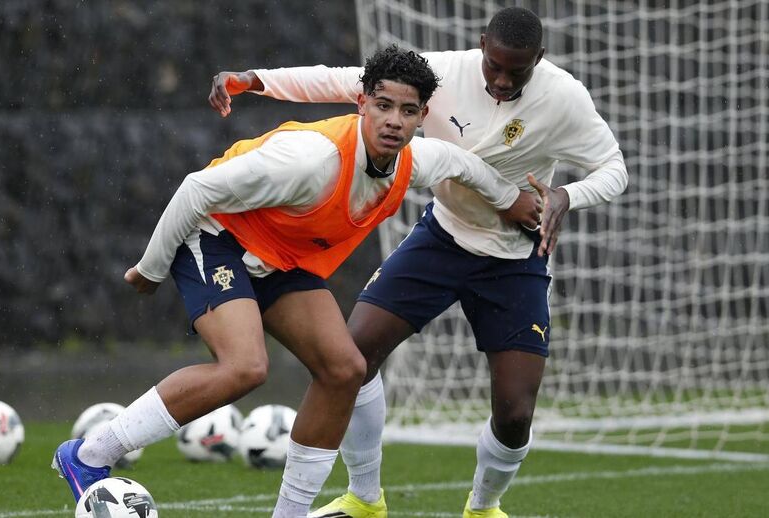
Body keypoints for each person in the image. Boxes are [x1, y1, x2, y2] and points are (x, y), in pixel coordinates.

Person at [52, 45, 541, 518]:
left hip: (282, 262)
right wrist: (151, 267)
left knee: (345, 368)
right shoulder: (310, 159)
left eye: (408, 111)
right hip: (220, 240)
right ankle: (89, 454)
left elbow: (465, 165)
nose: (394, 120)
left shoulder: (417, 160)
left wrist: (510, 200)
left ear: (422, 116)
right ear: (361, 102)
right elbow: (197, 189)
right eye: (383, 105)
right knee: (245, 368)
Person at [208, 7, 628, 518]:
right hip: (442, 237)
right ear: (480, 47)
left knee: (516, 411)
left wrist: (567, 194)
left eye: (515, 71)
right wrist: (255, 80)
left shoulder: (565, 98)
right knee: (353, 358)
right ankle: (365, 499)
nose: (499, 78)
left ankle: (483, 507)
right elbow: (344, 81)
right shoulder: (446, 73)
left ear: (537, 60)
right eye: (492, 64)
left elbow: (614, 169)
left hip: (515, 258)